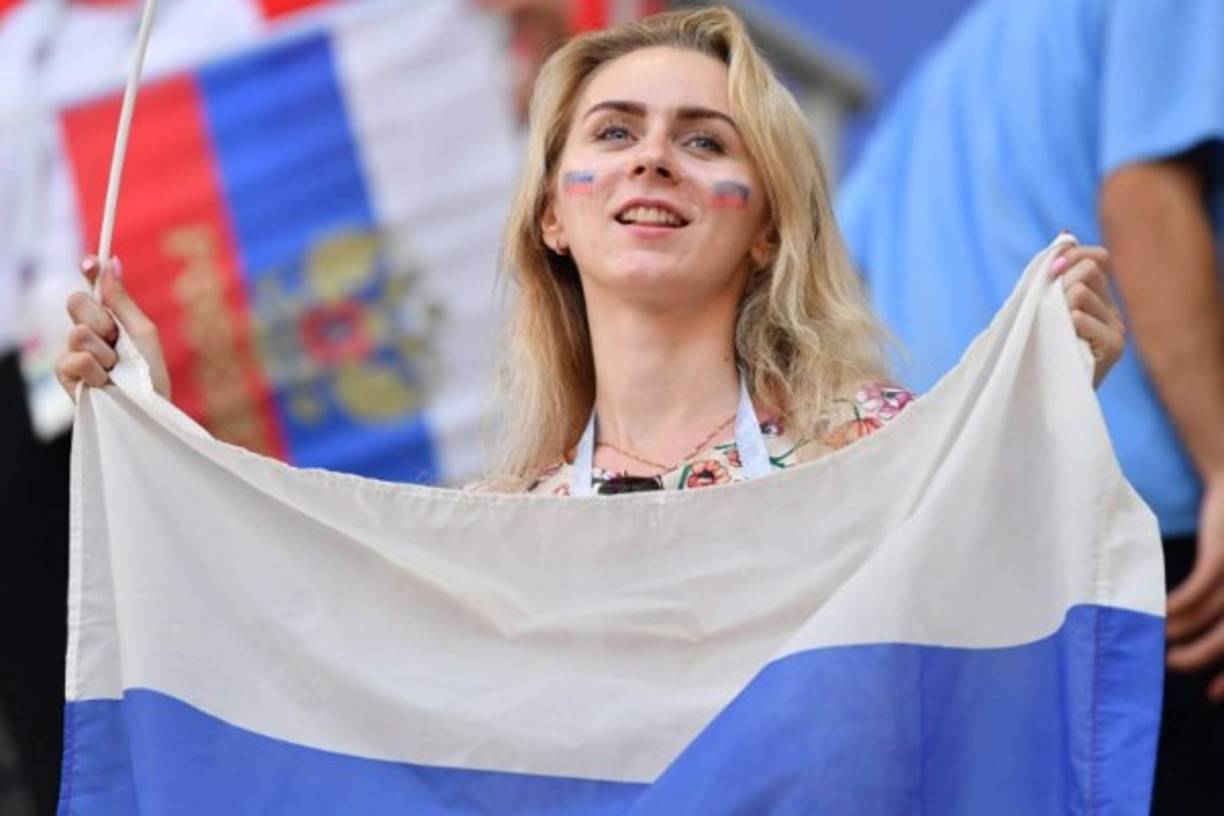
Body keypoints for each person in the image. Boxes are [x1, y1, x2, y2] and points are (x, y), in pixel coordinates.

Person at [58, 9, 1122, 496]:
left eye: (704, 140)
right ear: (551, 220)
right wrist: (155, 427)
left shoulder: (887, 452)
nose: (653, 157)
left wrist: (1037, 423)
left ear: (765, 231)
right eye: (612, 132)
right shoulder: (496, 530)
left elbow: (1003, 641)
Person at [834, 0, 1223, 809]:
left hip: (955, 571)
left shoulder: (944, 76)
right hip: (1150, 558)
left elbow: (834, 297)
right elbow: (1144, 199)